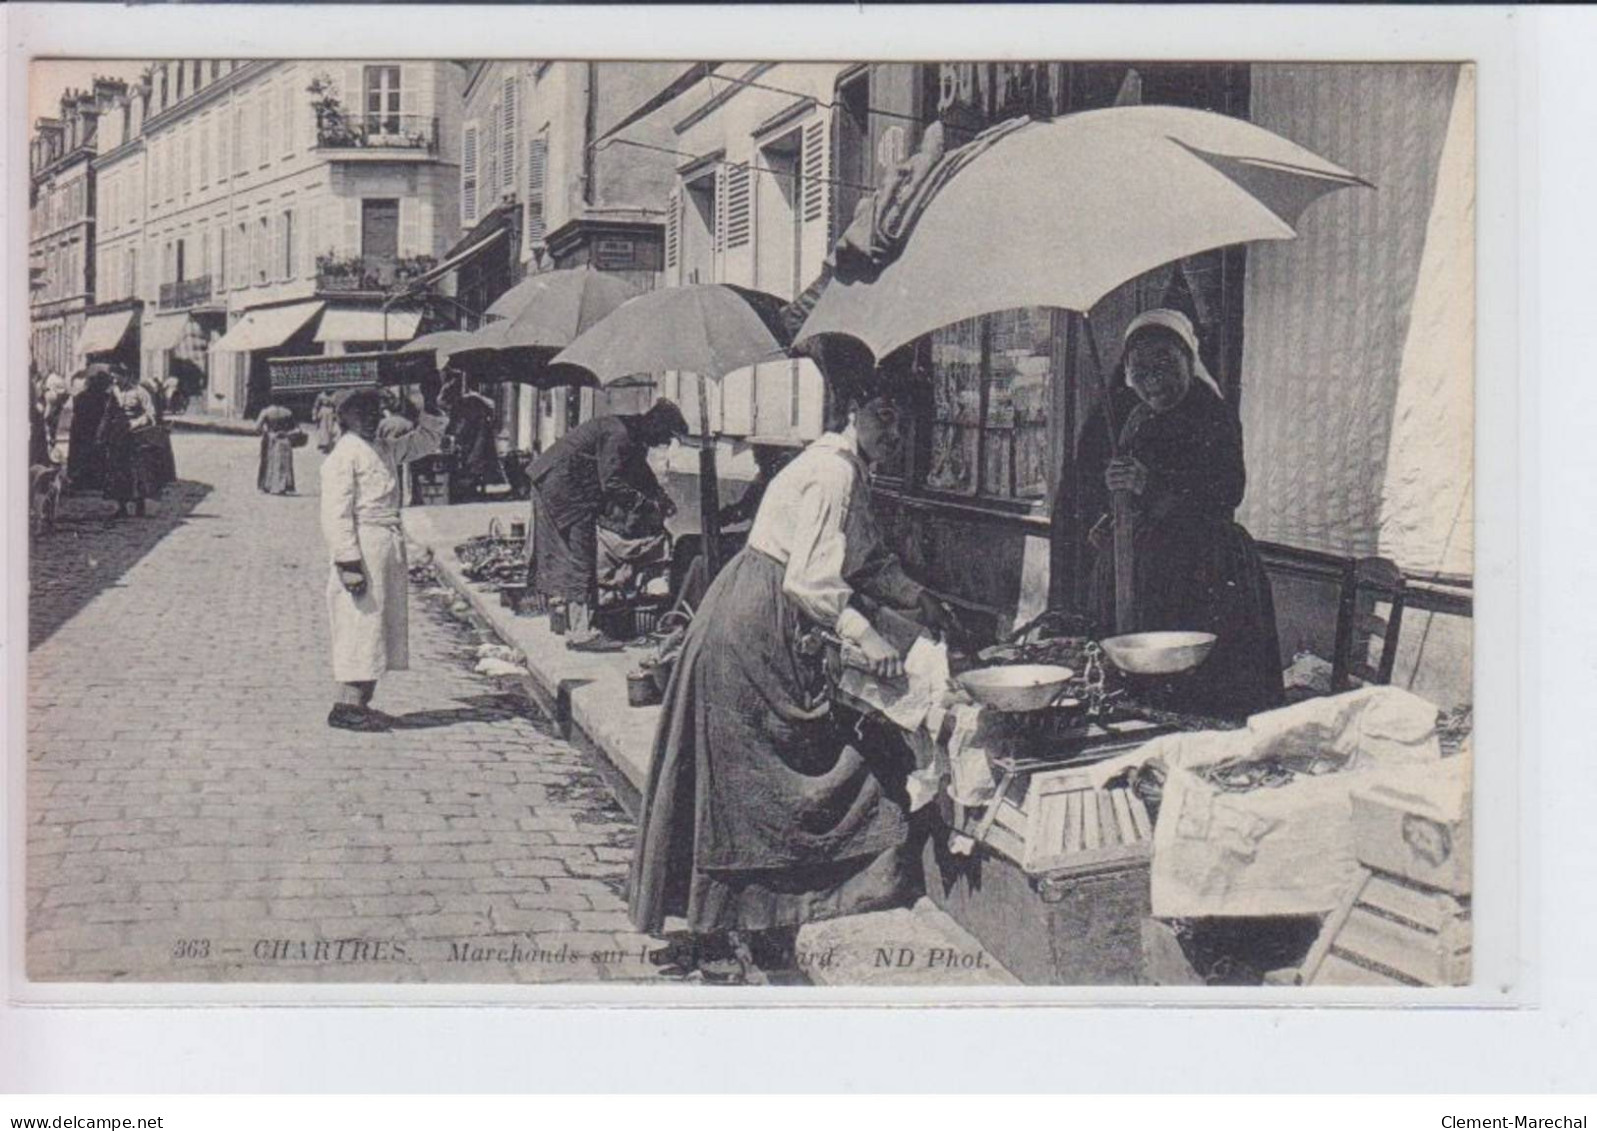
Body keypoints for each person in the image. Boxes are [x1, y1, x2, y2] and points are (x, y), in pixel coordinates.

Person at [627, 391, 960, 983]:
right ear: (853, 415)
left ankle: (738, 923)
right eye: (883, 418)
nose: (893, 433)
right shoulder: (833, 473)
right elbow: (812, 581)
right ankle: (718, 932)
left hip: (756, 608)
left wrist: (917, 599)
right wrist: (870, 637)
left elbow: (864, 559)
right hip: (756, 622)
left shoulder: (845, 468)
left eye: (902, 424)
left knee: (747, 765)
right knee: (747, 771)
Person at [1079, 309, 1284, 720]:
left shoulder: (1211, 414)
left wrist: (1149, 484)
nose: (1152, 379)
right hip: (1144, 564)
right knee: (1143, 670)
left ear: (1188, 361)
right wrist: (1114, 497)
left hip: (1204, 565)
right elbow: (1110, 482)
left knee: (1198, 677)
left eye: (1164, 365)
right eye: (1141, 370)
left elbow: (1228, 491)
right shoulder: (1135, 416)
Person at [320, 376, 446, 731]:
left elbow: (426, 440)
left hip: (386, 544)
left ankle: (361, 703)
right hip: (363, 545)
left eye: (375, 409)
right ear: (345, 416)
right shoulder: (343, 455)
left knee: (378, 627)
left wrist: (430, 404)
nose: (372, 417)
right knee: (360, 624)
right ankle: (346, 706)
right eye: (362, 411)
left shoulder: (384, 448)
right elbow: (336, 515)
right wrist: (349, 564)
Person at [524, 400, 689, 652]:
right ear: (655, 424)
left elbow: (638, 471)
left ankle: (576, 622)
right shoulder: (620, 435)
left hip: (560, 482)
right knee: (581, 554)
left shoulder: (629, 432)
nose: (663, 443)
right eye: (665, 436)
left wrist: (659, 496)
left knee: (576, 553)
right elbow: (611, 483)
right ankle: (580, 633)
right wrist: (646, 505)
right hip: (563, 486)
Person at [669, 440, 801, 610]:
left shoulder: (778, 479)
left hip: (759, 545)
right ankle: (676, 604)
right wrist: (717, 517)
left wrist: (723, 517)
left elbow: (744, 511)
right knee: (684, 543)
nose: (754, 457)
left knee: (690, 548)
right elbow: (742, 509)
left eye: (758, 451)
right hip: (751, 538)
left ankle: (682, 607)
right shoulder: (765, 476)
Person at [99, 367, 161, 519]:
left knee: (136, 471)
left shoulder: (140, 392)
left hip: (135, 437)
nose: (115, 381)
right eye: (112, 378)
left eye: (117, 377)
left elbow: (151, 414)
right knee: (118, 470)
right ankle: (122, 507)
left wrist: (136, 422)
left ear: (126, 376)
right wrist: (102, 432)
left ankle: (140, 505)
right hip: (117, 436)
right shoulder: (112, 392)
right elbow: (107, 414)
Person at [444, 378, 504, 500]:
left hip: (476, 441)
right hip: (474, 440)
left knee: (473, 464)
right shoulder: (467, 403)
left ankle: (469, 490)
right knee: (472, 464)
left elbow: (492, 408)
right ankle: (471, 489)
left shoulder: (472, 403)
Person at [65, 366, 113, 492]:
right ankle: (94, 480)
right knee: (94, 453)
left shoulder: (81, 396)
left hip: (80, 429)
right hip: (93, 428)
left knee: (80, 454)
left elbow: (76, 410)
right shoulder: (104, 397)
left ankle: (79, 480)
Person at [256, 403, 301, 495]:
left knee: (269, 462)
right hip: (285, 439)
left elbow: (257, 428)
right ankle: (284, 486)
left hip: (271, 439)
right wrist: (287, 433)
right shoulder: (288, 412)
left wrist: (266, 432)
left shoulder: (266, 412)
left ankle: (268, 485)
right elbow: (298, 429)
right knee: (285, 463)